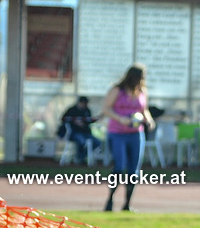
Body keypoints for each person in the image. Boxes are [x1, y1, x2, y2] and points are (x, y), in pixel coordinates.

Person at [103, 65, 155, 212]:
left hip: (136, 134)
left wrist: (149, 120)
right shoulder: (117, 90)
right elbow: (106, 108)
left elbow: (144, 110)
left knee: (133, 172)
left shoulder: (142, 91)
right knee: (119, 168)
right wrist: (120, 118)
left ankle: (127, 204)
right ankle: (110, 199)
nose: (143, 79)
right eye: (141, 76)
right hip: (118, 133)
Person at [59, 96, 101, 166]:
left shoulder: (87, 110)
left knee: (97, 142)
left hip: (86, 133)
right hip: (74, 133)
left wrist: (96, 119)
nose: (84, 105)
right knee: (82, 141)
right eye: (83, 103)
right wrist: (75, 122)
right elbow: (64, 119)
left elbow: (89, 120)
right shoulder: (72, 110)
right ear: (79, 103)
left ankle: (81, 157)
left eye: (86, 103)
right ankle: (78, 158)